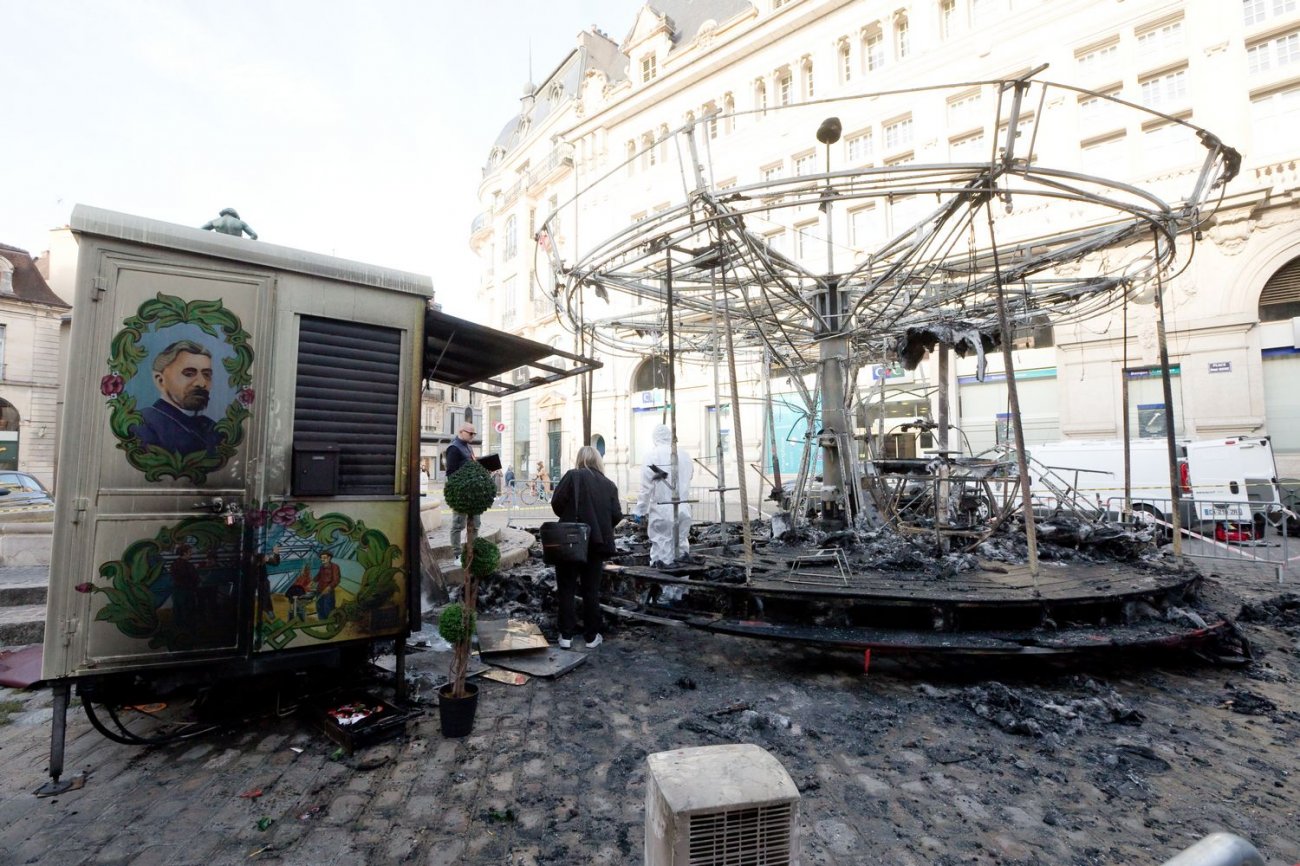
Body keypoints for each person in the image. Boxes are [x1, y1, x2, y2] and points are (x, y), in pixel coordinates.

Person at [549, 446, 622, 649]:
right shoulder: (609, 485)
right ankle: (591, 637)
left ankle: (566, 636)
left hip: (570, 542)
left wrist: (571, 514)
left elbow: (556, 503)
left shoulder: (572, 476)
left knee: (566, 589)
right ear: (598, 461)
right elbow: (616, 515)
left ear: (579, 459)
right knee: (591, 591)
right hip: (596, 544)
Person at [133, 340, 223, 456]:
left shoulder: (214, 428)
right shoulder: (142, 423)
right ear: (160, 380)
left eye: (206, 374)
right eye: (189, 373)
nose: (202, 383)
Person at [633, 424, 693, 567]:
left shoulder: (652, 456)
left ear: (655, 439)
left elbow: (646, 487)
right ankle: (681, 586)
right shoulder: (684, 454)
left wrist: (640, 510)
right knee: (681, 546)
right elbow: (689, 476)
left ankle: (665, 586)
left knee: (662, 548)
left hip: (662, 510)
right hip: (683, 507)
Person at [446, 422, 479, 556]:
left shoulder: (469, 447)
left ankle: (472, 551)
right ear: (461, 431)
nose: (473, 436)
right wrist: (460, 491)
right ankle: (457, 554)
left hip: (473, 493)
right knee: (458, 524)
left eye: (474, 434)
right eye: (470, 433)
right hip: (460, 493)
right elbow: (451, 474)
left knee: (476, 524)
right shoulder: (454, 448)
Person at [314, 552, 341, 619]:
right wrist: (312, 582)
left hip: (328, 592)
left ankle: (330, 622)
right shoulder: (322, 567)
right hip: (319, 590)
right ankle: (322, 622)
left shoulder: (335, 567)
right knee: (319, 607)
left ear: (329, 558)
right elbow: (318, 576)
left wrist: (328, 588)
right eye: (321, 558)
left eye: (324, 558)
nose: (322, 559)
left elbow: (336, 580)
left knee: (328, 607)